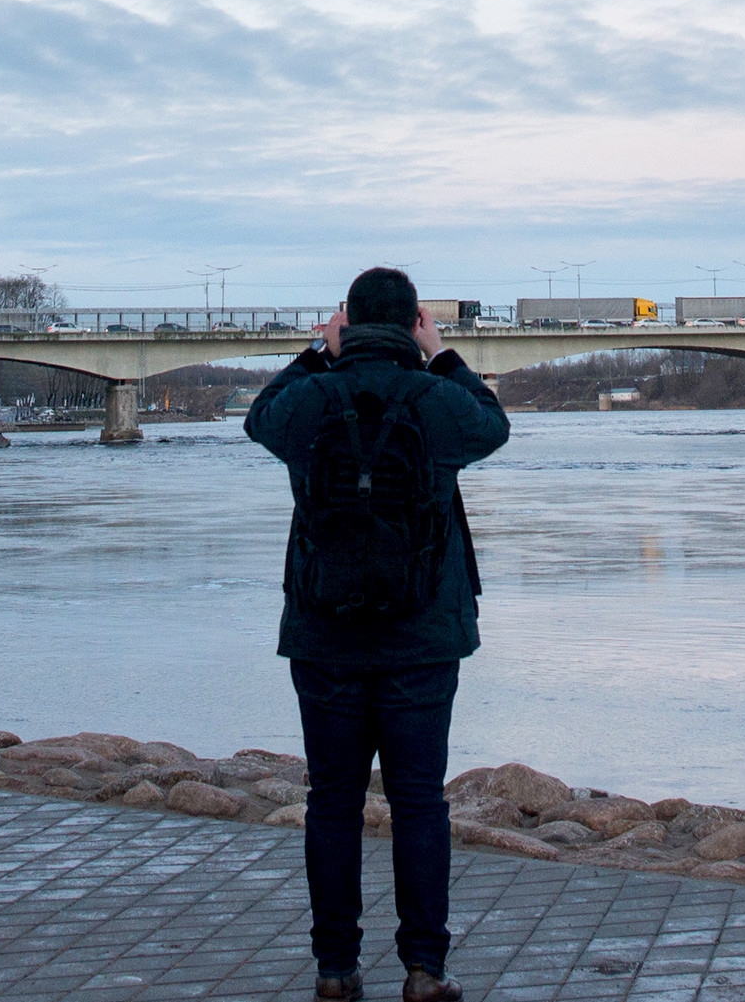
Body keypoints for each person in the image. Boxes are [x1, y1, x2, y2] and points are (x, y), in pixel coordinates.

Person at [245, 269, 510, 1002]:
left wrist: (315, 355)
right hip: (422, 637)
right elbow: (493, 425)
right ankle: (424, 969)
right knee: (419, 803)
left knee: (332, 802)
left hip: (323, 634)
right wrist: (444, 354)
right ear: (414, 321)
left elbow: (259, 418)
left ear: (346, 322)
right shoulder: (437, 400)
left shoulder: (311, 399)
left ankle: (336, 968)